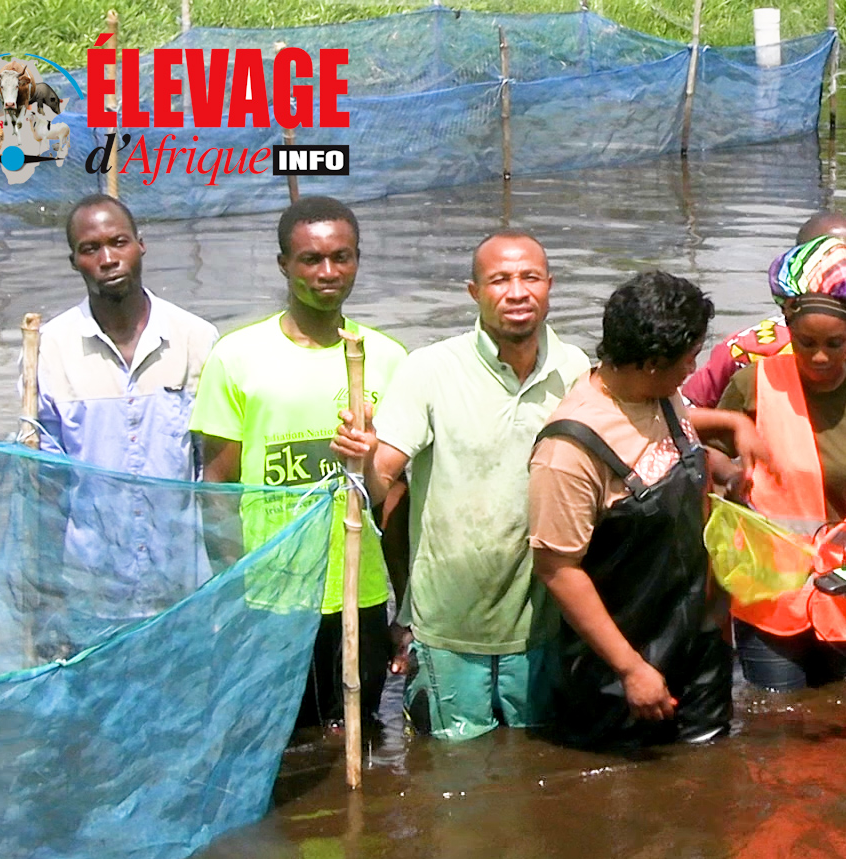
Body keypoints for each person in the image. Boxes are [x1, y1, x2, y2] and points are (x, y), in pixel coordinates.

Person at [328, 231, 590, 740]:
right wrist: (360, 460)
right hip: (447, 626)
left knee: (541, 763)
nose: (517, 292)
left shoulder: (576, 370)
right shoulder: (429, 369)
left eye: (530, 277)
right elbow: (382, 480)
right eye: (500, 280)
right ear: (474, 292)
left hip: (542, 624)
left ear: (550, 286)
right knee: (451, 776)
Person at [191, 196, 409, 731]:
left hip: (359, 590)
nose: (328, 272)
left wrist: (404, 609)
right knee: (284, 741)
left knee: (356, 735)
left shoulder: (386, 357)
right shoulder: (236, 357)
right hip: (273, 597)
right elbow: (218, 487)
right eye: (311, 260)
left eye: (342, 257)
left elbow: (396, 497)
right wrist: (232, 592)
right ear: (284, 264)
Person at [529, 270, 732, 750]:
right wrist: (631, 668)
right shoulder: (567, 450)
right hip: (618, 664)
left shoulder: (664, 397)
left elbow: (682, 459)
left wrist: (725, 458)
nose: (693, 368)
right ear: (651, 362)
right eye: (689, 358)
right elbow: (557, 568)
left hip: (696, 642)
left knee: (711, 788)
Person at [709, 236, 846, 691]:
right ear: (786, 326)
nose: (820, 357)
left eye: (835, 343)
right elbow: (697, 441)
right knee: (778, 731)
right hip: (772, 598)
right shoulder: (753, 385)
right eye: (805, 343)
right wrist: (731, 473)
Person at [31, 194, 219, 622]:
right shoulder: (50, 348)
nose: (108, 258)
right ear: (74, 261)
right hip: (92, 587)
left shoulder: (196, 339)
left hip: (183, 585)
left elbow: (215, 472)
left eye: (119, 242)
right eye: (90, 248)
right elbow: (45, 484)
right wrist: (43, 595)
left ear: (141, 245)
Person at [681, 210, 846, 408]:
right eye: (828, 256)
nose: (845, 267)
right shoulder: (747, 352)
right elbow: (685, 414)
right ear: (796, 264)